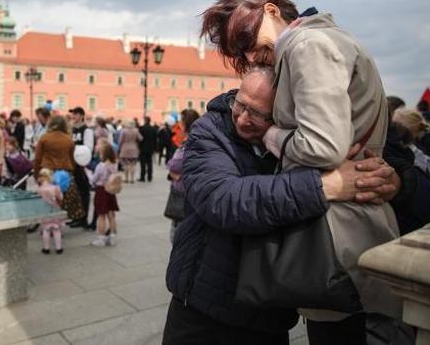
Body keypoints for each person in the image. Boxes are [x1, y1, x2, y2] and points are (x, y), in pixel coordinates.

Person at [200, 0, 403, 343]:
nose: (250, 54)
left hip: (334, 238)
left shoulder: (305, 43)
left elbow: (323, 146)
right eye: (240, 52)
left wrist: (273, 135)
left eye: (246, 38)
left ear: (271, 9)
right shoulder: (328, 39)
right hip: (350, 226)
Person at [162, 69, 399, 344]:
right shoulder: (212, 129)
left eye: (258, 114)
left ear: (286, 114)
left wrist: (390, 180)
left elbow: (393, 160)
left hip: (270, 311)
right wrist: (325, 186)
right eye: (239, 104)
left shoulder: (309, 138)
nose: (241, 118)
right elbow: (225, 201)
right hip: (203, 308)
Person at [34, 116, 85, 221]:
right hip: (64, 173)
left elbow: (37, 158)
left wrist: (36, 175)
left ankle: (48, 224)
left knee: (47, 200)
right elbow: (73, 159)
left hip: (47, 172)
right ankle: (58, 224)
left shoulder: (44, 138)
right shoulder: (68, 140)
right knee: (60, 199)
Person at [165, 109, 200, 241]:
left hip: (183, 194)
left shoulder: (190, 143)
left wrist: (171, 169)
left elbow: (174, 164)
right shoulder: (196, 139)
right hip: (188, 192)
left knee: (178, 234)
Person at [89, 141, 120, 247]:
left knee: (101, 215)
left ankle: (101, 239)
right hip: (111, 191)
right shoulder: (114, 164)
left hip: (101, 190)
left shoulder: (100, 166)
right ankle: (112, 237)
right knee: (111, 215)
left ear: (104, 154)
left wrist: (89, 176)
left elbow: (93, 180)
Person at [69, 106, 94, 228]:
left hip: (81, 166)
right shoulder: (71, 130)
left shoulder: (87, 130)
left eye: (75, 114)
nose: (73, 116)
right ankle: (75, 216)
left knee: (83, 191)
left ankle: (83, 218)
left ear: (81, 116)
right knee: (74, 192)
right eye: (72, 114)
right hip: (71, 164)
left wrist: (76, 151)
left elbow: (88, 149)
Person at [36, 168, 65, 254]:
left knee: (46, 230)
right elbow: (61, 198)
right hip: (55, 210)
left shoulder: (39, 189)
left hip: (44, 212)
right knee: (57, 230)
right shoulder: (55, 188)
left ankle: (46, 248)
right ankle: (58, 248)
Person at [138, 116, 158, 182]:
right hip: (150, 148)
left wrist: (139, 147)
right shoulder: (153, 129)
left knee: (142, 163)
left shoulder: (141, 128)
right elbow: (155, 140)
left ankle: (142, 177)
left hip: (143, 148)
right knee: (150, 163)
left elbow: (140, 140)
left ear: (145, 120)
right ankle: (150, 177)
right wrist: (155, 148)